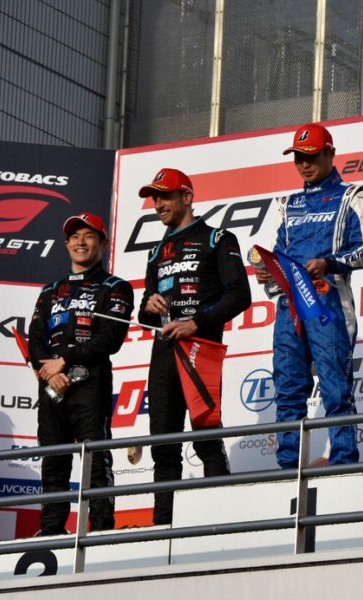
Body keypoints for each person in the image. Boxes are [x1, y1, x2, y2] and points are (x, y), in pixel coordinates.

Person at [256, 123, 363, 469]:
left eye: (311, 157)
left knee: (336, 388)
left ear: (330, 154)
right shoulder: (288, 204)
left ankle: (343, 461)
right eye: (298, 158)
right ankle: (288, 466)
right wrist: (268, 272)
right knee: (289, 388)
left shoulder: (354, 195)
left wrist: (329, 263)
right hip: (289, 308)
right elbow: (278, 253)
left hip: (329, 303)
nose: (304, 164)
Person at [138, 167, 251, 525]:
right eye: (155, 197)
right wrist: (149, 306)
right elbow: (144, 314)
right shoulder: (157, 251)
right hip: (164, 354)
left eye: (165, 196)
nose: (158, 204)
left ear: (186, 197)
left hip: (200, 349)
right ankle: (162, 528)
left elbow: (240, 295)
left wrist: (196, 322)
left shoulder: (218, 238)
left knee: (206, 440)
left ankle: (220, 523)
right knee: (163, 447)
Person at [28, 212, 133, 535]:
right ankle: (50, 531)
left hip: (91, 384)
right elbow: (34, 339)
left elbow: (109, 339)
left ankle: (101, 529)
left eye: (88, 236)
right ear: (66, 244)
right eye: (74, 237)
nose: (80, 242)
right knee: (53, 460)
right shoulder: (50, 291)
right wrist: (48, 371)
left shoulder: (115, 287)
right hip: (52, 387)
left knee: (95, 460)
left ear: (102, 243)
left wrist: (65, 360)